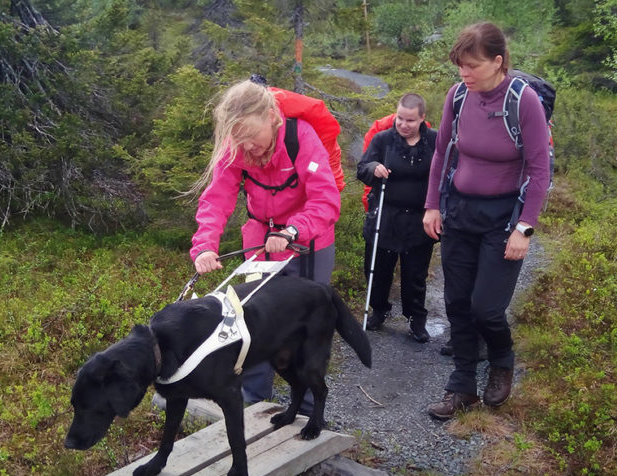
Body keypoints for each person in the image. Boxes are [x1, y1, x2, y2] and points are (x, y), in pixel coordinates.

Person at [422, 22, 549, 419]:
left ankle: (501, 361)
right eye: (460, 65)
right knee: (457, 302)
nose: (464, 74)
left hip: (503, 218)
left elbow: (540, 168)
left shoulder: (522, 101)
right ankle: (461, 387)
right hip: (459, 212)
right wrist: (432, 205)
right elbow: (442, 152)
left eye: (472, 66)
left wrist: (524, 228)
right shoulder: (458, 96)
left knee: (486, 308)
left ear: (498, 62)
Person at [191, 78, 341, 403]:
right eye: (239, 139)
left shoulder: (301, 138)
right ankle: (253, 398)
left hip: (308, 243)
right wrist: (205, 245)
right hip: (261, 243)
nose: (248, 147)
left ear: (272, 118)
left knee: (305, 326)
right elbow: (216, 200)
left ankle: (310, 404)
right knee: (254, 321)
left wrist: (293, 232)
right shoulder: (238, 147)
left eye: (252, 136)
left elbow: (326, 200)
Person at [356, 93, 438, 342]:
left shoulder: (435, 141)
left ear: (422, 118)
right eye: (400, 118)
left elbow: (447, 172)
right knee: (378, 269)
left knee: (415, 274)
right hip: (385, 216)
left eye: (410, 120)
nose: (403, 124)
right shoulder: (383, 140)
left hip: (419, 219)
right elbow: (362, 168)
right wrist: (373, 169)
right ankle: (379, 310)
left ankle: (416, 319)